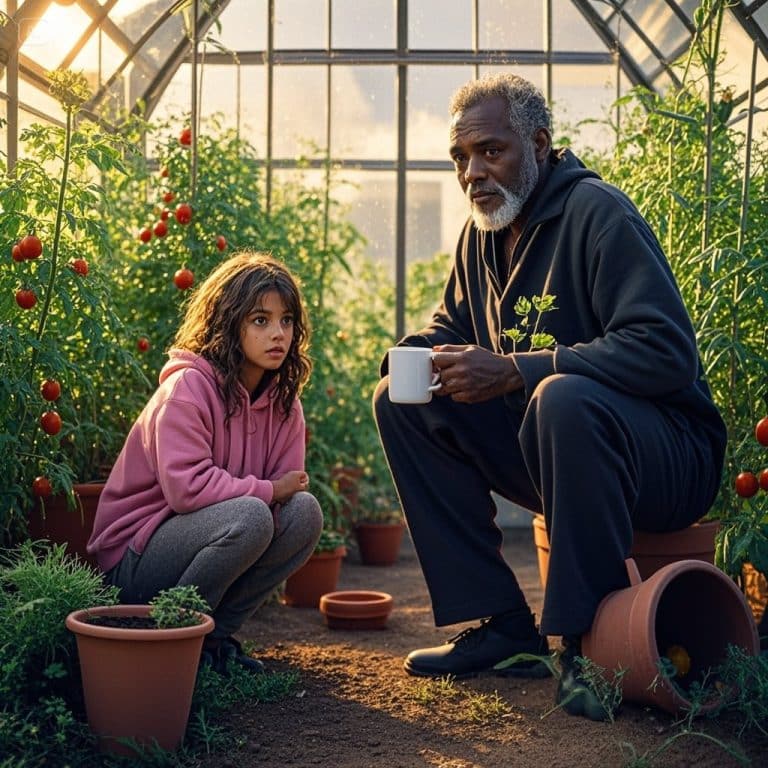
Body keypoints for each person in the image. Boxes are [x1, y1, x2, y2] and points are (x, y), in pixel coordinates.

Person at [372, 73, 726, 718]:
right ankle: (502, 625)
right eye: (460, 157)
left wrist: (516, 371)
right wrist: (419, 348)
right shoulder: (483, 233)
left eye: (490, 150)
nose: (473, 172)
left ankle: (585, 647)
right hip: (561, 452)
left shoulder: (598, 213)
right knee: (401, 398)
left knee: (562, 396)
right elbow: (454, 323)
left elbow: (664, 350)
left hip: (667, 459)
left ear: (538, 144)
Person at [88, 251, 323, 673]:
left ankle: (212, 642)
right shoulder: (187, 388)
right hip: (135, 560)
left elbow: (289, 496)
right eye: (260, 320)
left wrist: (274, 494)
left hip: (207, 540)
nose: (278, 334)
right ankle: (169, 640)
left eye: (286, 320)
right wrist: (268, 490)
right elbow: (187, 490)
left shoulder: (285, 405)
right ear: (228, 323)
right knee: (252, 516)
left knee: (304, 513)